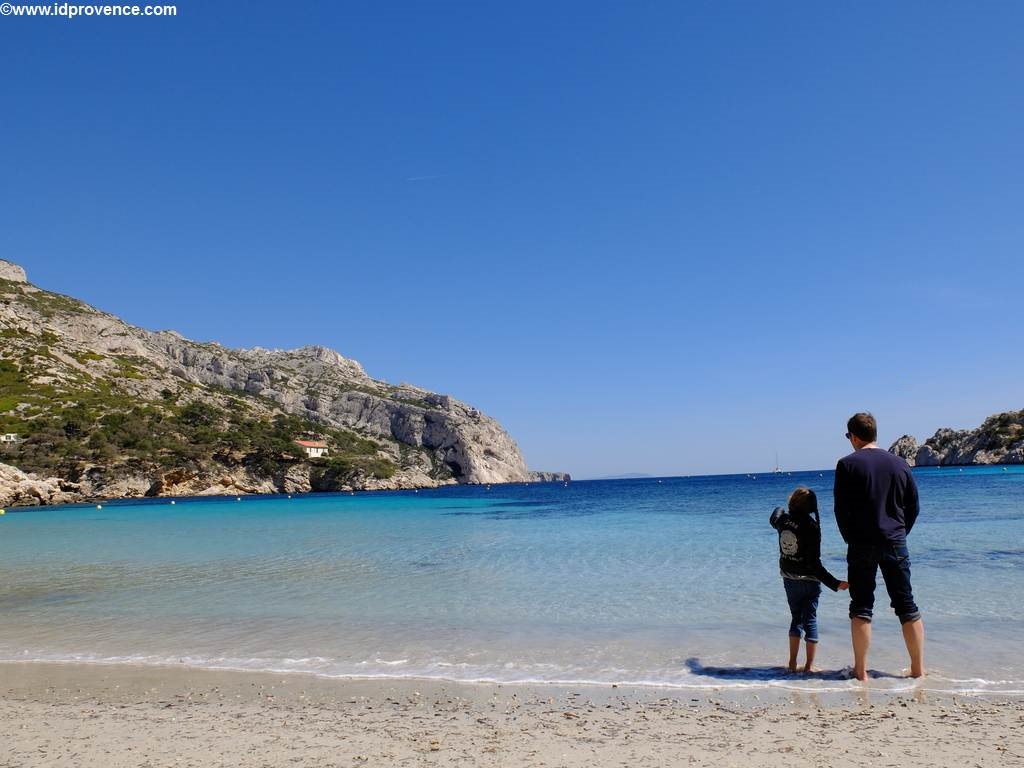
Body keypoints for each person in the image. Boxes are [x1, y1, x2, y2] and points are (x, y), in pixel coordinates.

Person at [834, 412, 925, 681]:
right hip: (895, 541)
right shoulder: (899, 463)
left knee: (861, 607)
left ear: (854, 436)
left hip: (861, 543)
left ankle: (860, 671)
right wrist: (900, 532)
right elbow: (914, 506)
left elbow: (841, 511)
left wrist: (850, 538)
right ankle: (918, 669)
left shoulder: (846, 464)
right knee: (906, 606)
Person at [770, 487, 848, 674]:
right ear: (812, 507)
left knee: (796, 618)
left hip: (789, 578)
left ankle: (792, 663)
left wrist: (784, 507)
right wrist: (835, 583)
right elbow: (814, 564)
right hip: (810, 581)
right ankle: (809, 666)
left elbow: (775, 514)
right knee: (810, 620)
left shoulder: (783, 521)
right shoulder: (812, 526)